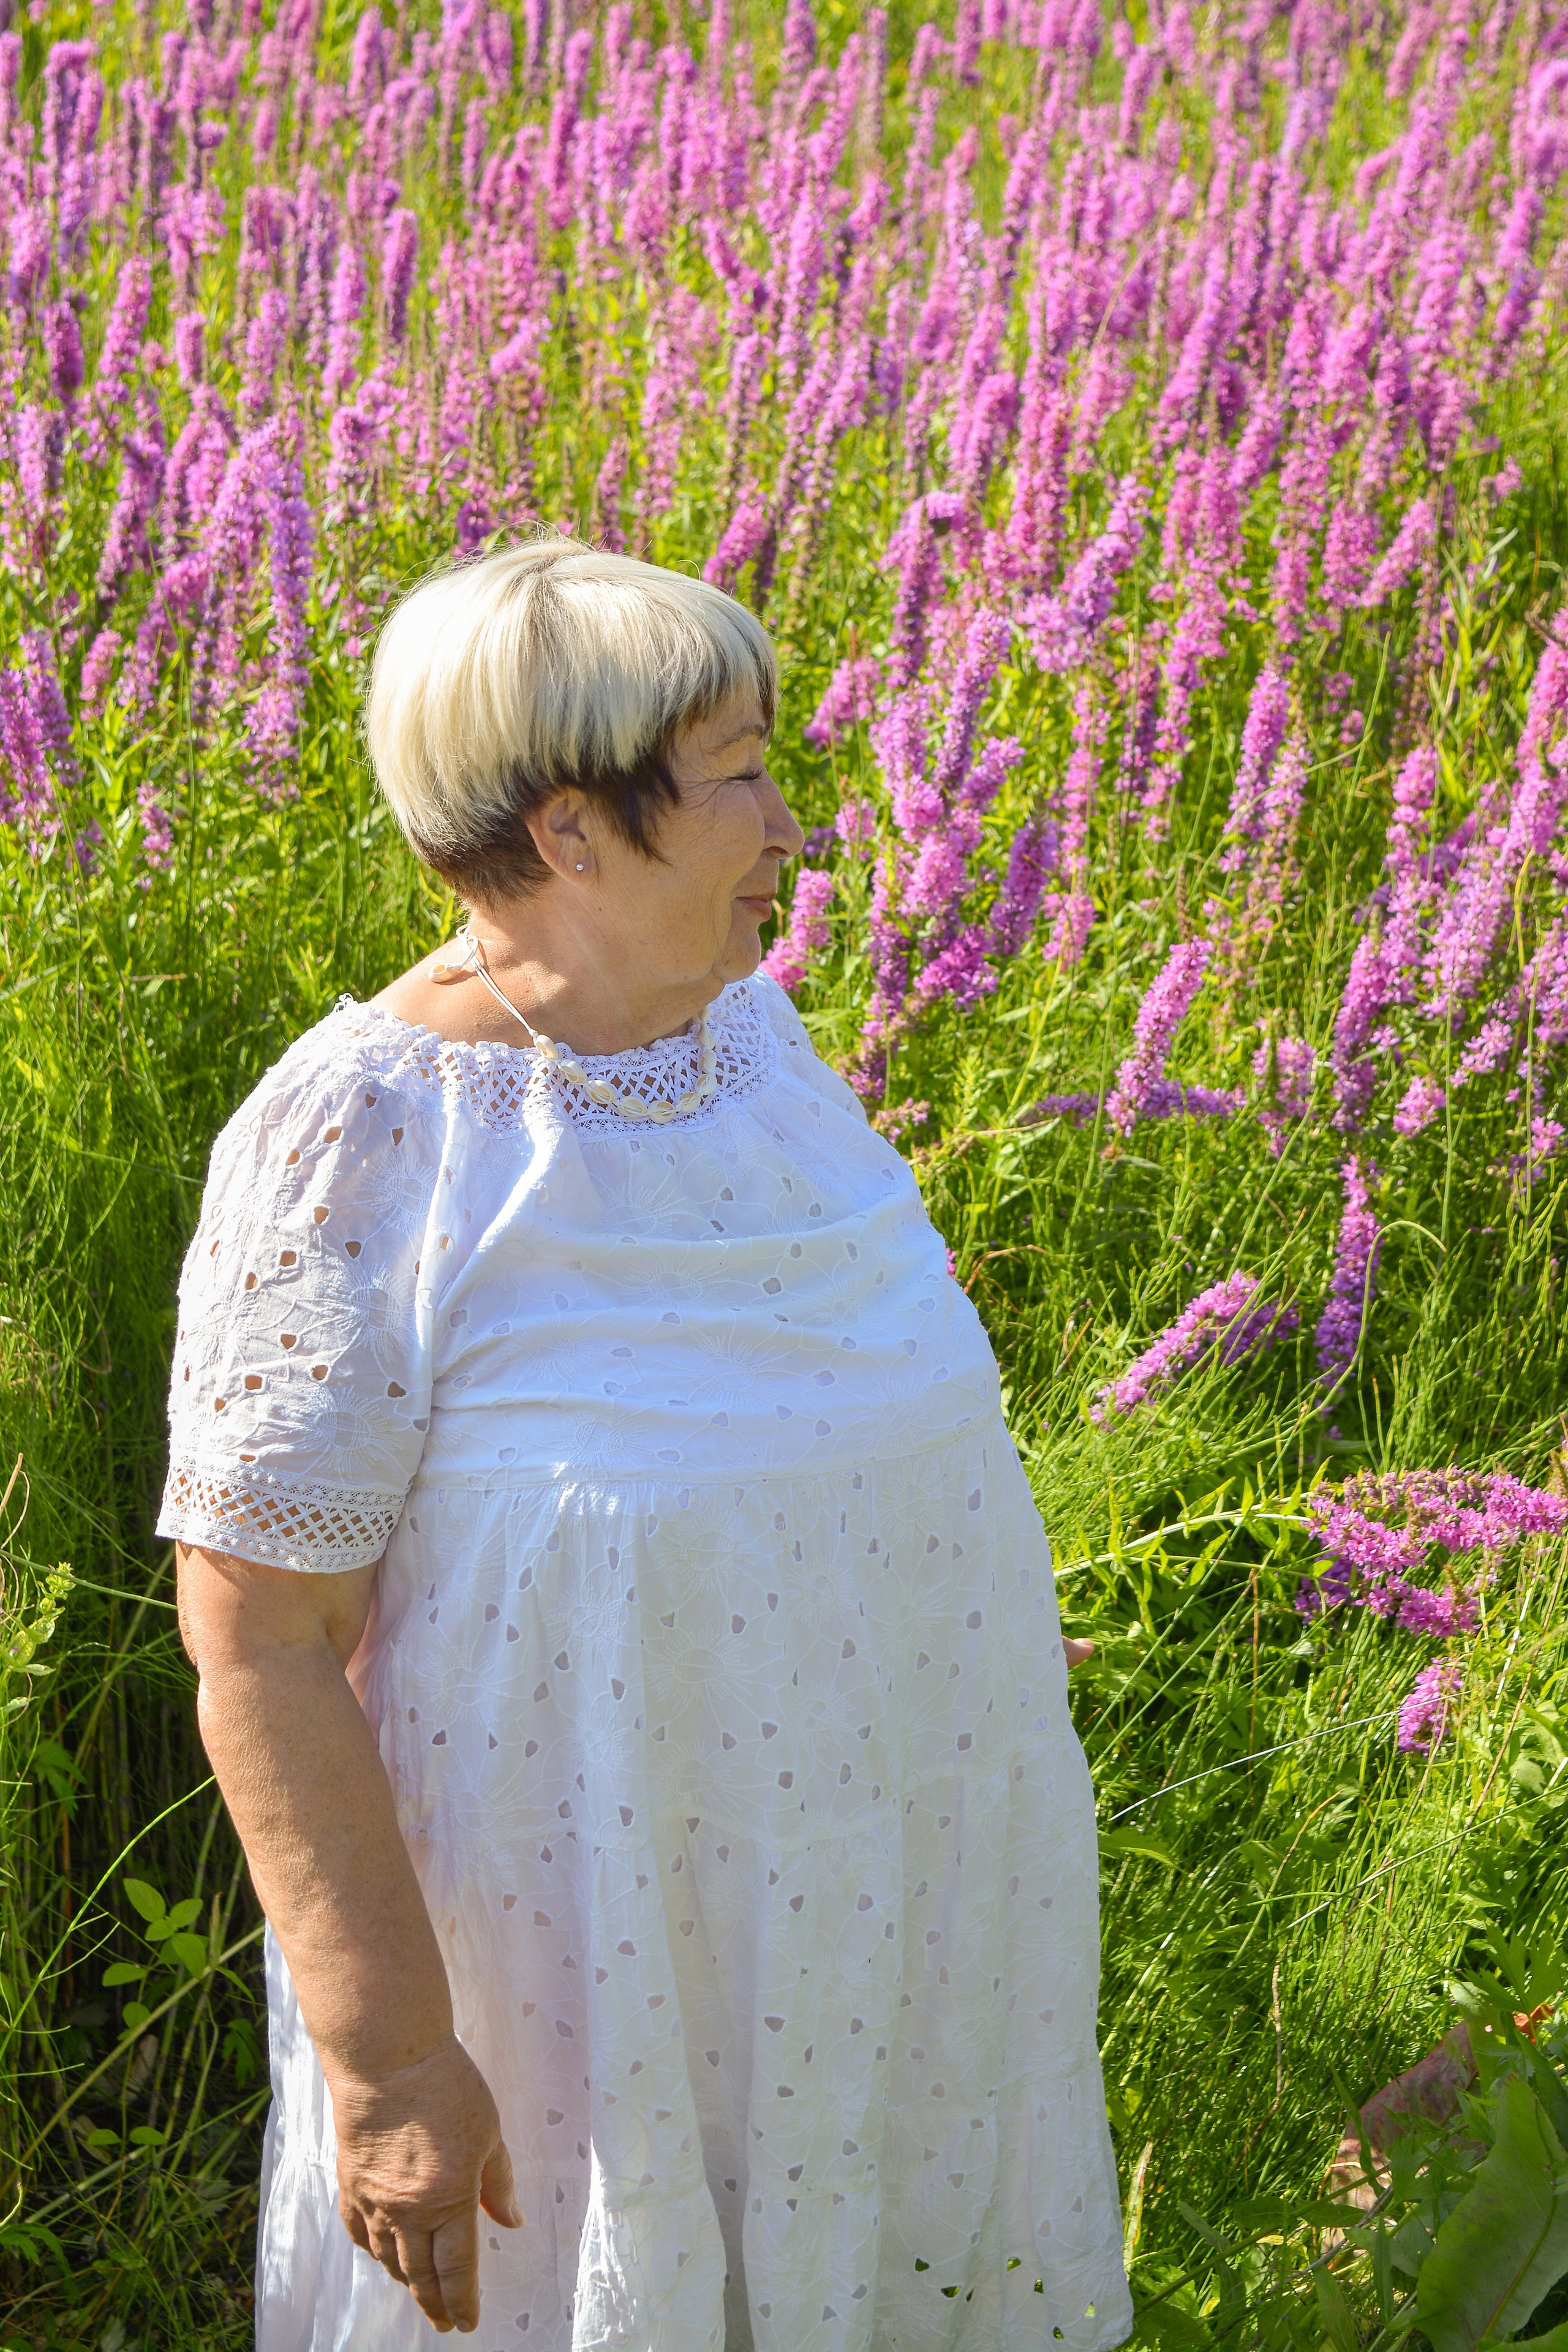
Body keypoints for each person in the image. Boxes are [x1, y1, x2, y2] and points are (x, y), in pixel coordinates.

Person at [164, 537, 1132, 2352]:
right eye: (741, 775)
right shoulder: (368, 1140)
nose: (794, 827)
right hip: (571, 2010)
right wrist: (388, 2061)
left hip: (870, 1937)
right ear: (572, 833)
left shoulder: (749, 1051)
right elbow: (259, 1635)